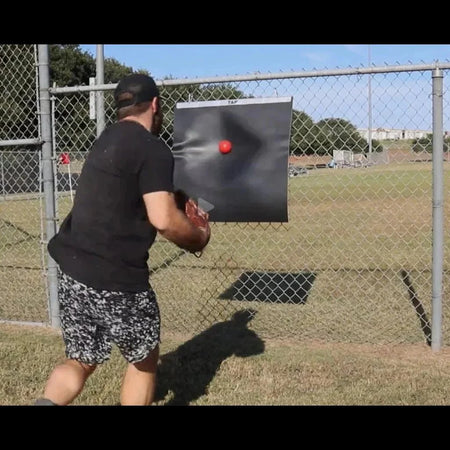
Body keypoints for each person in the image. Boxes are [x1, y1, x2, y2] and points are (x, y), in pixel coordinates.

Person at [34, 73, 211, 406]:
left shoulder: (105, 140)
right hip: (117, 278)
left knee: (81, 360)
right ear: (155, 105)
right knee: (144, 359)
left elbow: (126, 197)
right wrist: (198, 237)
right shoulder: (152, 147)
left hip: (73, 269)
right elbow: (162, 219)